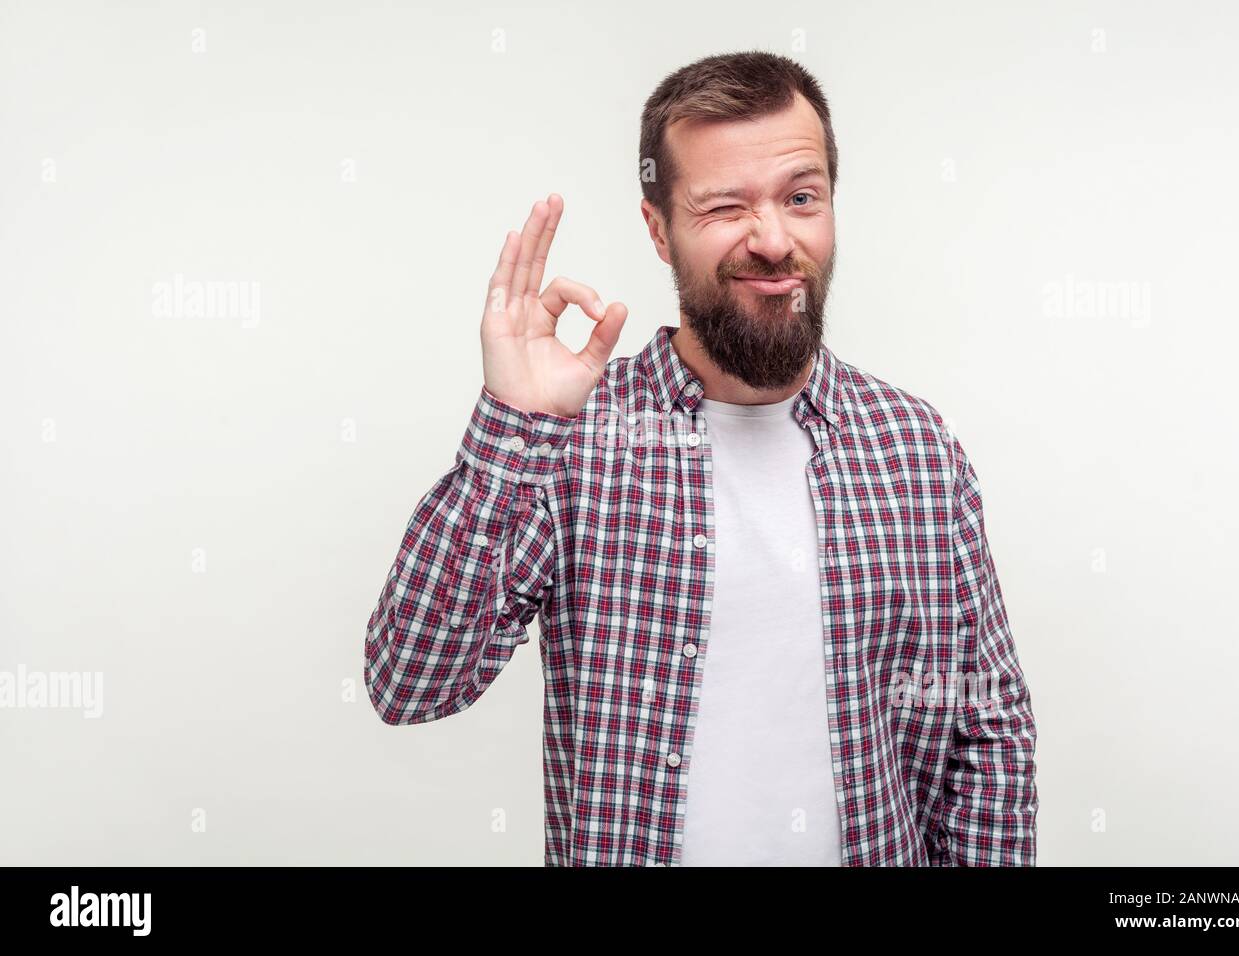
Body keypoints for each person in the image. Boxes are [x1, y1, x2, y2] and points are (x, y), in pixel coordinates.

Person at [364, 50, 1038, 867]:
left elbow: (989, 727)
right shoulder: (575, 440)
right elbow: (409, 682)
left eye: (801, 197)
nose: (773, 239)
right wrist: (515, 427)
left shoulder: (916, 449)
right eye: (725, 206)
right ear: (659, 230)